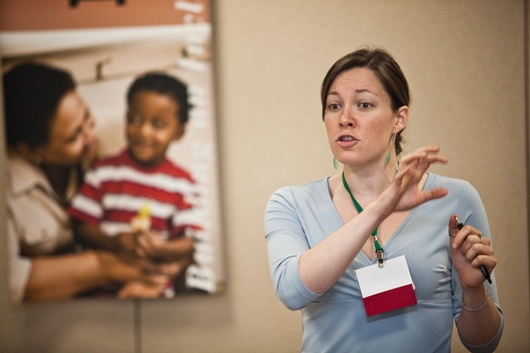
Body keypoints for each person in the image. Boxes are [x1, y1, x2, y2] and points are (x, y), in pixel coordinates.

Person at [264, 47, 503, 352]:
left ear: (399, 118)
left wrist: (474, 290)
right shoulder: (291, 203)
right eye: (334, 106)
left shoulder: (454, 199)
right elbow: (291, 292)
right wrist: (380, 208)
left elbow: (484, 344)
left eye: (364, 104)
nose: (345, 119)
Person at [4, 62, 170, 303]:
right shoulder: (7, 184)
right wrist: (105, 267)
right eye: (74, 137)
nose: (91, 136)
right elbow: (10, 280)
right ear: (29, 151)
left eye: (87, 117)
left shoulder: (118, 137)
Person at [68, 72, 198, 298]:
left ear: (179, 132)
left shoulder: (183, 183)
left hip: (154, 288)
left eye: (157, 124)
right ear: (126, 116)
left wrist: (161, 249)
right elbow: (81, 227)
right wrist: (113, 242)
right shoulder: (103, 171)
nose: (143, 131)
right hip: (101, 290)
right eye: (135, 120)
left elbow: (191, 241)